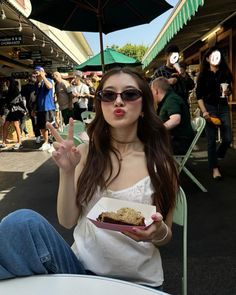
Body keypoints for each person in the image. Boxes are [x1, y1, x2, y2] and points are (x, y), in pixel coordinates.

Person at [0, 67, 179, 291]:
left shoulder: (161, 163)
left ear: (144, 106)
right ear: (100, 104)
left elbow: (165, 235)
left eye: (130, 94)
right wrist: (66, 171)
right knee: (20, 222)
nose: (118, 101)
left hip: (138, 281)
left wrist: (158, 231)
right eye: (109, 94)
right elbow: (67, 220)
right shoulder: (85, 153)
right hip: (80, 271)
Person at [196, 46, 233, 180]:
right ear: (207, 59)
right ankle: (215, 168)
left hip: (223, 107)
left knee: (228, 138)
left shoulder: (225, 73)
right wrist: (204, 111)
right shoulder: (203, 75)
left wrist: (228, 92)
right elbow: (198, 96)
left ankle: (218, 154)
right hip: (209, 108)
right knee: (211, 140)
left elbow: (230, 91)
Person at [151, 77, 194, 155]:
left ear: (156, 91)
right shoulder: (168, 99)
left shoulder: (172, 100)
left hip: (179, 142)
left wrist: (157, 130)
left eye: (152, 92)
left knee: (147, 147)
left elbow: (175, 120)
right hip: (175, 140)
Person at [0, 78, 27, 150]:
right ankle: (4, 142)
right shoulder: (8, 90)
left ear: (10, 82)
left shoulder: (15, 90)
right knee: (5, 125)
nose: (6, 83)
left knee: (16, 125)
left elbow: (13, 101)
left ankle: (19, 142)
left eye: (7, 82)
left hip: (14, 110)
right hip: (9, 110)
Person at [33, 66, 55, 151]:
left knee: (51, 127)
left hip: (48, 108)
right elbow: (37, 97)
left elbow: (49, 87)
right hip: (40, 108)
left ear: (42, 72)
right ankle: (46, 142)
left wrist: (43, 77)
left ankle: (53, 144)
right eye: (35, 73)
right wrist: (34, 109)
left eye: (37, 72)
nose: (36, 74)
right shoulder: (36, 84)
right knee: (42, 127)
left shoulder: (48, 80)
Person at [21, 75, 41, 143]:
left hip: (32, 106)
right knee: (39, 120)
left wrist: (25, 107)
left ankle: (38, 136)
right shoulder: (37, 85)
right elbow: (23, 98)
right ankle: (40, 135)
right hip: (37, 106)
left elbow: (23, 99)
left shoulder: (37, 85)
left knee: (35, 121)